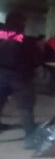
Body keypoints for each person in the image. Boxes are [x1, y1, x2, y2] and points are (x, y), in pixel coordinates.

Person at [0, 11, 42, 145]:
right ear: (21, 23)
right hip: (21, 77)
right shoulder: (27, 41)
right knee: (26, 106)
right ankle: (30, 137)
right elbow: (36, 60)